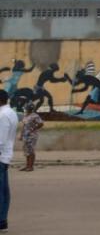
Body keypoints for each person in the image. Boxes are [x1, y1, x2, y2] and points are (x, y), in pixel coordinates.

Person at [0, 90, 19, 232]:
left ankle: (1, 221)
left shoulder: (2, 115)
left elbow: (0, 139)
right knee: (4, 190)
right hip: (5, 156)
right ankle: (2, 222)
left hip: (0, 156)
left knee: (1, 191)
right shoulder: (11, 112)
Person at [19, 102, 43, 172]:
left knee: (31, 151)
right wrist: (21, 135)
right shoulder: (25, 116)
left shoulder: (35, 116)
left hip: (32, 136)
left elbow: (41, 124)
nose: (25, 109)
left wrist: (33, 129)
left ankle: (30, 167)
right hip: (25, 136)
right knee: (26, 151)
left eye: (26, 108)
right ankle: (27, 166)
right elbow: (24, 126)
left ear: (30, 108)